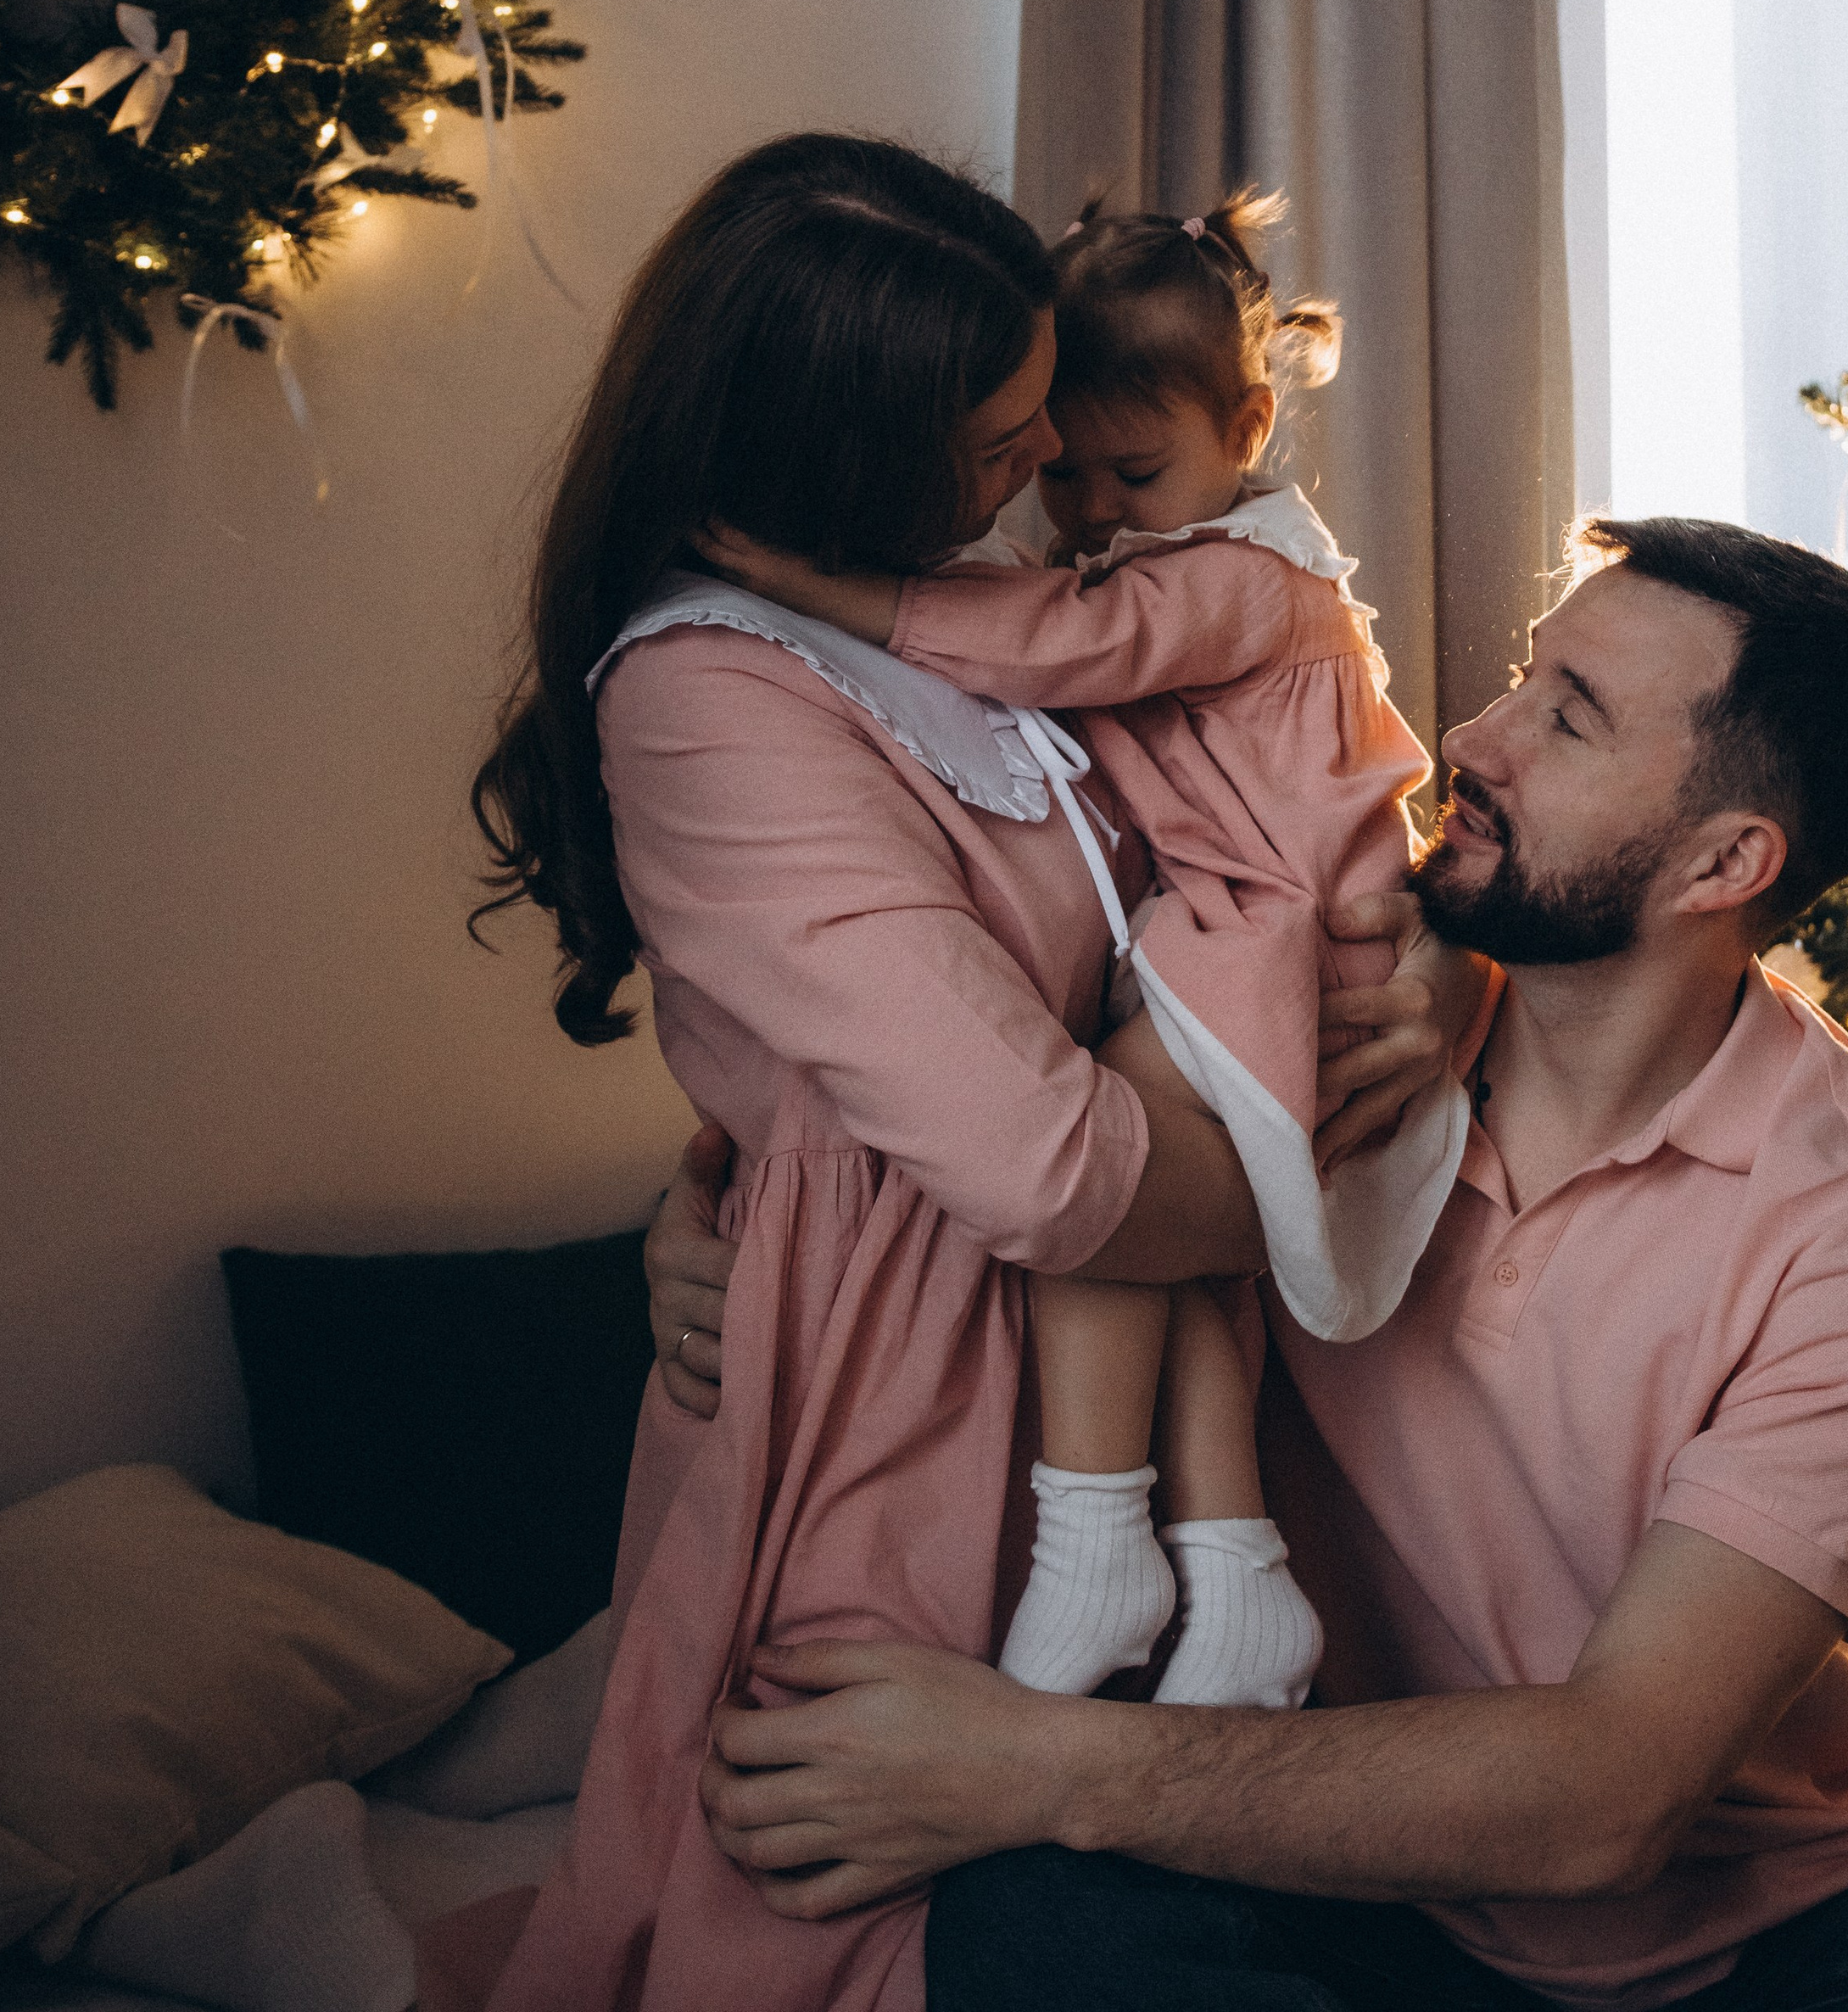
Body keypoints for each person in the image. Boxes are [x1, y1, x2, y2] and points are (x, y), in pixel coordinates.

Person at [649, 516, 1848, 2005]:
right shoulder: (1297, 1041)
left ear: (1726, 862)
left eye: (1566, 718)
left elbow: (1610, 1795)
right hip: (1349, 1900)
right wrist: (713, 1236)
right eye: (1522, 674)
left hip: (1787, 1935)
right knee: (1028, 1932)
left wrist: (1035, 1765)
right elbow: (997, 1154)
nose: (1470, 735)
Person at [427, 133, 1444, 2012]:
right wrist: (1335, 1170)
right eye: (996, 447)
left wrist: (1412, 980)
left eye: (1043, 424)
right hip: (898, 1379)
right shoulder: (708, 692)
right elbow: (1043, 1166)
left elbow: (1203, 883)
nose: (1041, 480)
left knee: (1183, 1874)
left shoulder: (991, 602)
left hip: (1129, 1342)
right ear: (836, 460)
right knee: (849, 1915)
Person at [704, 190, 1478, 1718]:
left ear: (1251, 424)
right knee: (1186, 1274)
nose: (1097, 515)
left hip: (1297, 937)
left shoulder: (1254, 575)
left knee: (1108, 1179)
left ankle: (1093, 1537)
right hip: (1240, 939)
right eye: (1062, 481)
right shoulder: (1158, 549)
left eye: (1135, 472)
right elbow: (1045, 610)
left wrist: (806, 587)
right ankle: (1235, 1569)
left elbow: (1059, 643)